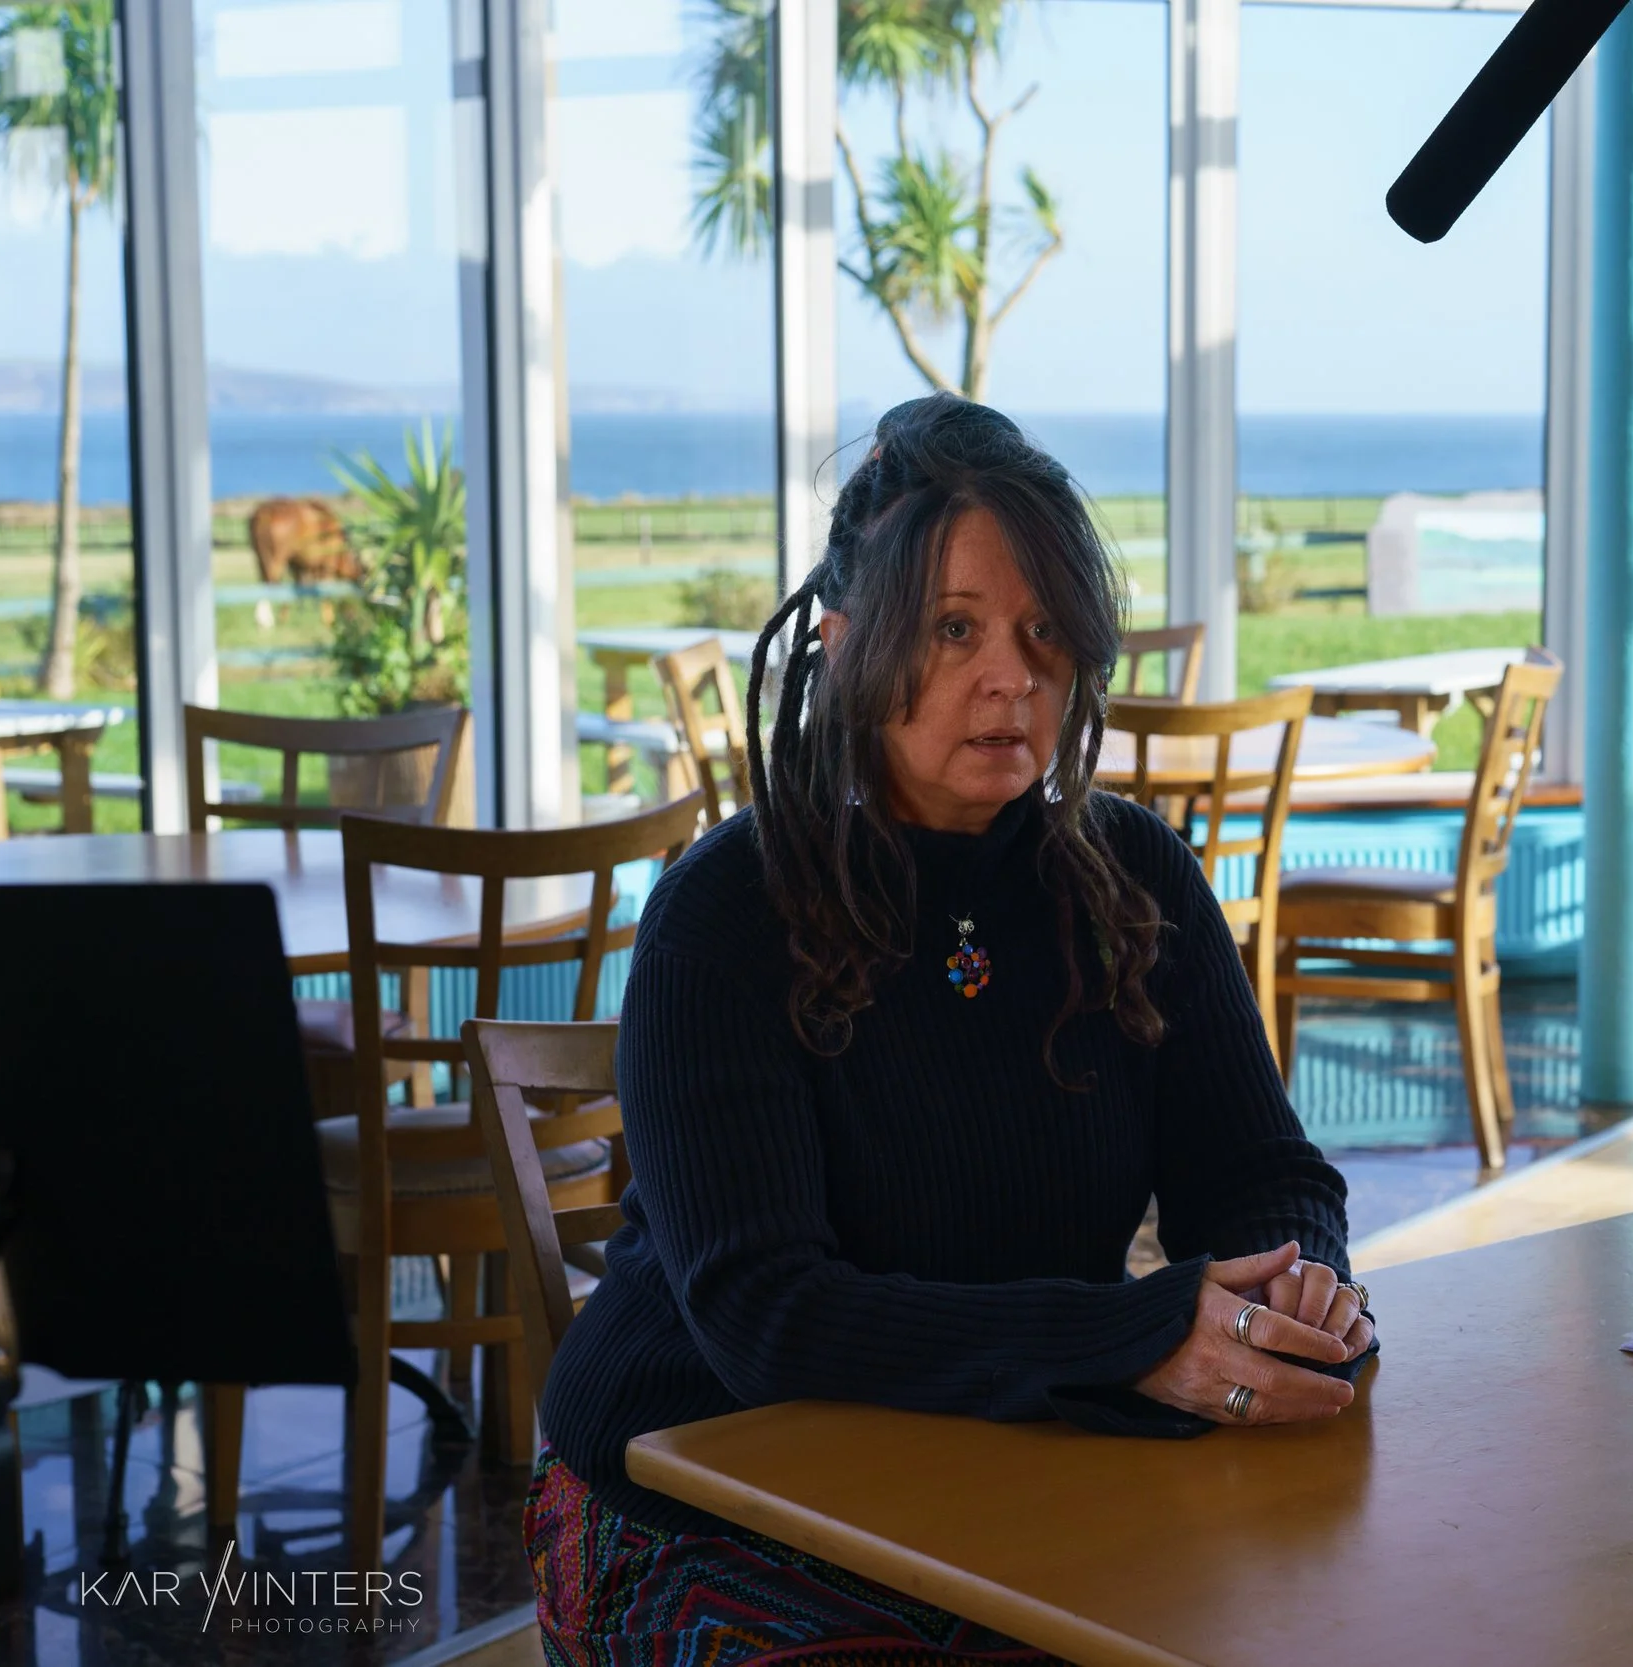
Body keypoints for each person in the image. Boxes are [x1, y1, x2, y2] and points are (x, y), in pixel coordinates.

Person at [528, 393, 1375, 1665]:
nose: (1009, 677)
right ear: (847, 637)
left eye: (1043, 633)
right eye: (954, 628)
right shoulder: (724, 910)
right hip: (702, 1494)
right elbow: (766, 1313)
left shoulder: (1132, 875)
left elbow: (1257, 1170)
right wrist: (1133, 1336)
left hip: (1005, 1466)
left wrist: (1291, 1284)